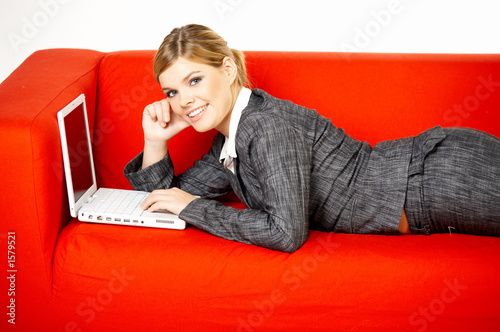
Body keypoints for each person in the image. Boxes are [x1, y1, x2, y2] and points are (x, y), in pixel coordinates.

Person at [124, 24, 500, 253]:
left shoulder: (263, 125)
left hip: (438, 177)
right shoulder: (228, 142)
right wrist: (155, 140)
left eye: (194, 80)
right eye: (171, 92)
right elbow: (163, 201)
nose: (184, 100)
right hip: (427, 192)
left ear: (227, 69)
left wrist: (193, 208)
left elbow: (286, 233)